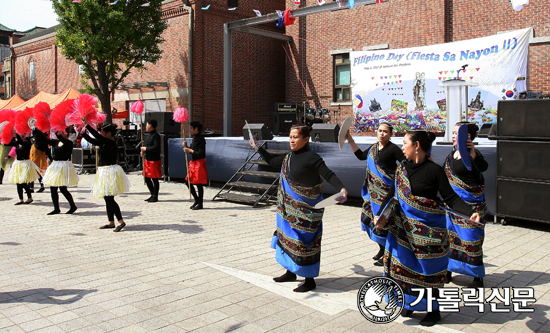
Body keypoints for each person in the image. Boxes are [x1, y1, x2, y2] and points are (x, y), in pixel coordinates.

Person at [375, 130, 480, 326]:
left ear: (416, 146)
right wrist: (379, 215)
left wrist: (469, 212)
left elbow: (450, 198)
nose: (402, 146)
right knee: (403, 269)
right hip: (402, 231)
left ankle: (433, 310)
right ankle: (410, 302)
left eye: (405, 142)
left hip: (428, 232)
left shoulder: (434, 171)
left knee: (427, 271)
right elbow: (391, 195)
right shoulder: (401, 170)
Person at [250, 123, 347, 292]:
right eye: (290, 137)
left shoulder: (312, 157)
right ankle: (290, 271)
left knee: (305, 242)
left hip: (308, 211)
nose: (292, 140)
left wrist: (341, 189)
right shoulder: (288, 157)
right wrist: (258, 147)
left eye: (295, 137)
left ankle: (309, 280)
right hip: (288, 210)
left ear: (305, 139)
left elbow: (327, 173)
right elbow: (272, 162)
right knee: (288, 238)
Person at [345, 122, 404, 266]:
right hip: (372, 194)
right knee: (368, 219)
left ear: (391, 134)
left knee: (384, 222)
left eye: (385, 131)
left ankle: (387, 253)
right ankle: (381, 248)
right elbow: (360, 156)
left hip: (386, 193)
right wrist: (349, 138)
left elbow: (405, 163)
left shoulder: (393, 149)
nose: (382, 134)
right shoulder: (373, 148)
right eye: (380, 131)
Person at [444, 122, 489, 288]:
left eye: (457, 133)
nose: (454, 136)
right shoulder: (451, 155)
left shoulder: (474, 154)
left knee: (472, 241)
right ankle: (448, 270)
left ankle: (477, 276)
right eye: (453, 133)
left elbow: (483, 167)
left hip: (471, 206)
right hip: (452, 207)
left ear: (467, 137)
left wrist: (473, 154)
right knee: (450, 239)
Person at [82, 124, 130, 232]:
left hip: (109, 172)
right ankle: (111, 221)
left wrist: (87, 126)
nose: (101, 134)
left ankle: (121, 221)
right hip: (104, 172)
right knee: (107, 197)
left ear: (108, 134)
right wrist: (81, 131)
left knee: (109, 198)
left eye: (103, 132)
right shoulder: (104, 142)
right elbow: (91, 139)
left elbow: (96, 136)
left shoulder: (110, 142)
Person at [40, 127, 79, 215]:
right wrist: (37, 129)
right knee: (53, 188)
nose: (62, 134)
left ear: (68, 134)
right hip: (55, 165)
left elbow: (61, 138)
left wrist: (54, 129)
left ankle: (72, 206)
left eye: (64, 132)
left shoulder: (68, 143)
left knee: (63, 189)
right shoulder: (56, 142)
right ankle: (56, 208)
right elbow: (43, 140)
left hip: (63, 166)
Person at [8, 133, 41, 205]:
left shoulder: (28, 142)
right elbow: (7, 143)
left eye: (23, 134)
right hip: (18, 163)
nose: (22, 136)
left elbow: (22, 143)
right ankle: (21, 199)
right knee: (18, 182)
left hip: (25, 164)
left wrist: (17, 133)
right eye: (20, 134)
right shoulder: (17, 143)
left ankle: (29, 197)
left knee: (23, 181)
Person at [183, 121, 207, 210]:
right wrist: (187, 146)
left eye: (191, 128)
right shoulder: (194, 138)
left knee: (199, 184)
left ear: (196, 129)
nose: (190, 130)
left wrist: (190, 150)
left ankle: (200, 203)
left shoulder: (201, 139)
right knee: (187, 181)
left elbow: (201, 153)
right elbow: (193, 149)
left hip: (199, 163)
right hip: (193, 163)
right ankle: (196, 199)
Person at [141, 119, 161, 203]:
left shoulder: (156, 135)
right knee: (146, 178)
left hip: (154, 160)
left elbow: (155, 148)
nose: (146, 126)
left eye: (147, 125)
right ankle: (152, 194)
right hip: (148, 160)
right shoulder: (149, 135)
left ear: (151, 126)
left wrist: (146, 149)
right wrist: (143, 151)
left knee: (154, 179)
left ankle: (155, 196)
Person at [30, 128, 50, 193]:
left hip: (39, 159)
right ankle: (31, 187)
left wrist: (51, 158)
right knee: (32, 172)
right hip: (33, 159)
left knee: (38, 173)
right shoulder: (34, 140)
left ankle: (41, 186)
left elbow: (47, 150)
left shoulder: (41, 141)